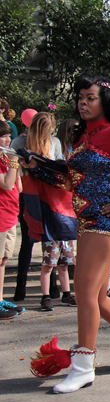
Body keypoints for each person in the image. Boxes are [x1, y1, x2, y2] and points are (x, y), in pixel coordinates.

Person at [25, 73, 110, 394]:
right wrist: (40, 166)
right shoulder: (82, 137)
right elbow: (71, 181)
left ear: (106, 101)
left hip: (108, 223)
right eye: (80, 97)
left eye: (91, 97)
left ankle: (82, 366)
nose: (83, 102)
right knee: (97, 297)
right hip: (87, 221)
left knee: (85, 293)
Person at [12, 112, 76, 311]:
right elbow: (19, 168)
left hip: (54, 198)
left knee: (63, 255)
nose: (51, 131)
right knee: (33, 241)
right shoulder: (20, 143)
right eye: (48, 127)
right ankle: (29, 291)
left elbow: (57, 166)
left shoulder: (54, 142)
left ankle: (62, 292)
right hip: (32, 196)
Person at [0, 120, 21, 319]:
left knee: (3, 260)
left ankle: (0, 298)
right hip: (0, 216)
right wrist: (13, 162)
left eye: (8, 136)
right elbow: (7, 185)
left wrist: (14, 163)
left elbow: (18, 187)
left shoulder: (7, 158)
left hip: (10, 214)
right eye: (3, 136)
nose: (7, 140)